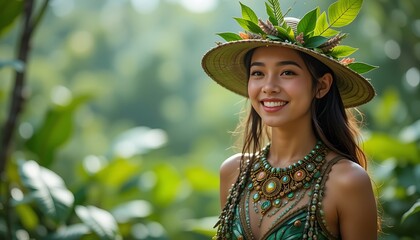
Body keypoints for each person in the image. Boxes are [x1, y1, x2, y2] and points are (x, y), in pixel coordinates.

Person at [201, 0, 379, 239]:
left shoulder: (347, 182)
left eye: (287, 72)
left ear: (322, 85)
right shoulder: (233, 172)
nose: (269, 87)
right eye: (258, 73)